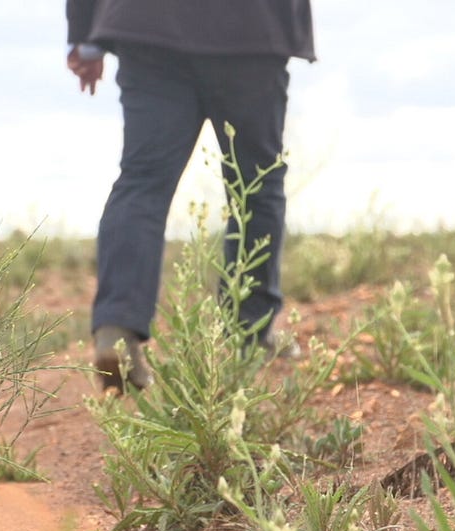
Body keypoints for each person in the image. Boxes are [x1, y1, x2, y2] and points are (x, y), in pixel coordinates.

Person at [66, 0, 315, 392]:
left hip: (147, 23)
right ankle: (251, 332)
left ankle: (117, 326)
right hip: (252, 27)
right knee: (256, 186)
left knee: (142, 181)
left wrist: (85, 37)